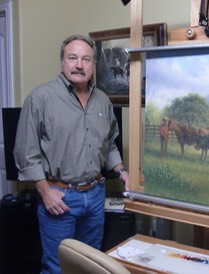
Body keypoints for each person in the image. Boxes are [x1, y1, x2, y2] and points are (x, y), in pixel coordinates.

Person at [13, 34, 130, 274]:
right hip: (59, 198)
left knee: (89, 266)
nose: (79, 65)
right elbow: (26, 152)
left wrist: (120, 170)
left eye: (86, 59)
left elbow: (108, 144)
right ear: (62, 63)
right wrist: (45, 192)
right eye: (73, 58)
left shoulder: (103, 101)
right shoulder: (40, 98)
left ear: (93, 65)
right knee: (57, 268)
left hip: (96, 196)